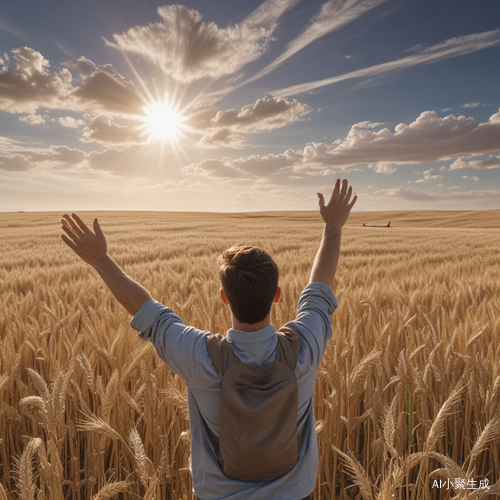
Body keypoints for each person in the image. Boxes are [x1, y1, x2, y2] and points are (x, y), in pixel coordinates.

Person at [61, 178, 357, 500]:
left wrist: (101, 260)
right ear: (277, 295)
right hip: (294, 493)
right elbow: (319, 290)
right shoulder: (305, 345)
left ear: (223, 297)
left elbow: (149, 313)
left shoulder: (197, 354)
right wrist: (333, 227)